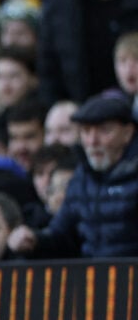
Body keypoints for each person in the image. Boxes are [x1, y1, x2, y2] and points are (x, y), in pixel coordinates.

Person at [8, 90, 138, 258]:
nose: (92, 141)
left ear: (127, 133)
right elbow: (60, 234)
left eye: (105, 131)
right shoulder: (81, 178)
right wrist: (35, 240)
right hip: (94, 279)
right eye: (86, 132)